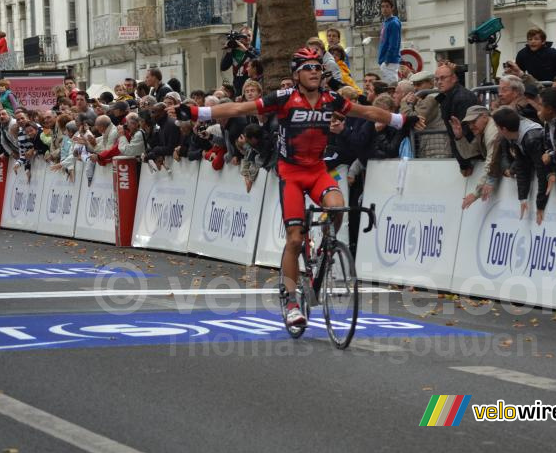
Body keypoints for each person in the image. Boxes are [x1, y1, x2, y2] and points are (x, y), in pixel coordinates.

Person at [176, 48, 423, 327]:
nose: (315, 71)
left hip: (317, 170)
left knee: (338, 206)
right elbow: (239, 108)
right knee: (294, 239)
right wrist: (198, 111)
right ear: (296, 74)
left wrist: (402, 119)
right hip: (291, 173)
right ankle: (292, 300)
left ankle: (324, 252)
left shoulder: (331, 99)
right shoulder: (283, 99)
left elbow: (365, 111)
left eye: (317, 67)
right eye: (308, 68)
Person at [492, 106, 550, 225]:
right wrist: (523, 198)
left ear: (503, 129)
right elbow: (522, 166)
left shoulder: (531, 138)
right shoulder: (513, 134)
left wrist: (540, 205)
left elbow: (542, 172)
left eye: (496, 127)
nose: (496, 130)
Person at [451, 105, 500, 209]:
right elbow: (468, 154)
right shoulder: (482, 131)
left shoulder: (492, 131)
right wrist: (459, 137)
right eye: (469, 123)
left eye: (473, 121)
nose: (471, 126)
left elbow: (491, 162)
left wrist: (476, 193)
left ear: (485, 117)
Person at [434, 62, 477, 176]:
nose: (439, 82)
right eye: (436, 79)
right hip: (467, 156)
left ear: (454, 78)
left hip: (472, 158)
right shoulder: (448, 96)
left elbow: (465, 133)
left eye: (443, 78)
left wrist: (464, 164)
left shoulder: (461, 98)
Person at [220, 27, 258, 94]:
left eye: (249, 35)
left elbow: (258, 62)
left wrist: (245, 50)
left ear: (252, 38)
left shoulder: (254, 51)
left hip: (251, 86)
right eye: (244, 35)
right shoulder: (234, 52)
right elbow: (223, 67)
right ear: (239, 37)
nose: (247, 38)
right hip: (237, 88)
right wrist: (229, 52)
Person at [378, 0, 401, 84]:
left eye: (387, 6)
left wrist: (387, 60)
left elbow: (393, 44)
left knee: (391, 86)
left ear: (392, 8)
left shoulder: (393, 23)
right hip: (385, 61)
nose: (384, 9)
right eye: (382, 6)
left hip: (390, 62)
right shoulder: (386, 22)